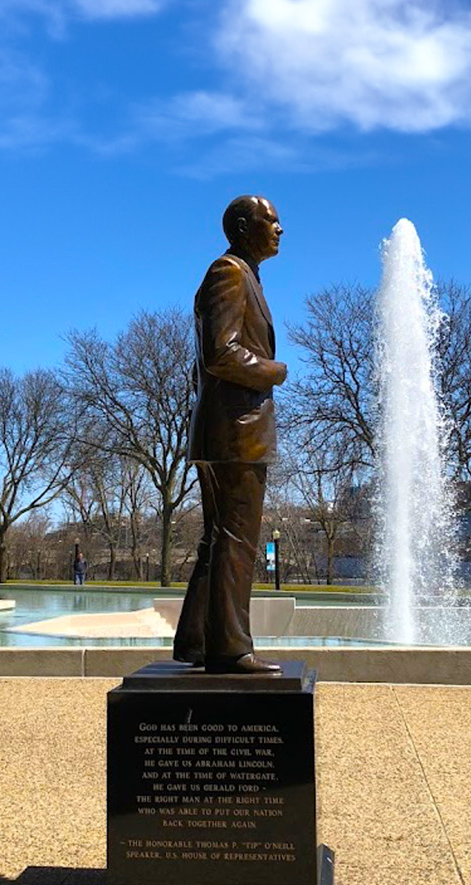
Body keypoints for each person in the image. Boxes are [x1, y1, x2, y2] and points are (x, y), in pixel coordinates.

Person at [172, 195, 288, 674]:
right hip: (235, 431)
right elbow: (222, 353)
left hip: (230, 431)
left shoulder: (246, 275)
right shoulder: (230, 272)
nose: (280, 229)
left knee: (219, 539)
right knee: (237, 540)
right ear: (243, 227)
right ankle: (232, 649)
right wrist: (272, 371)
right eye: (271, 220)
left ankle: (197, 640)